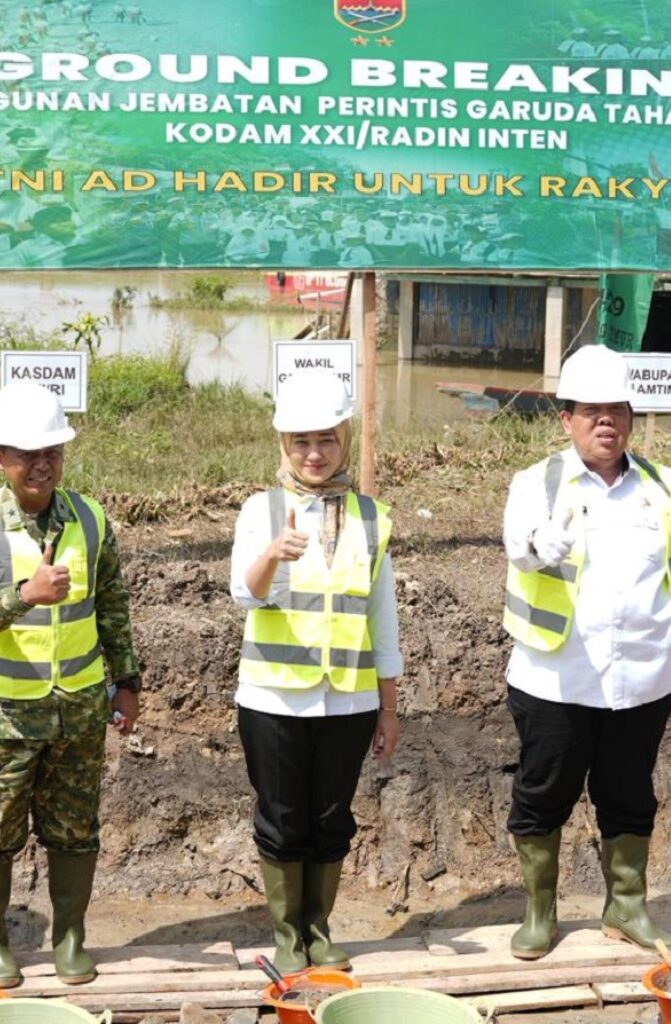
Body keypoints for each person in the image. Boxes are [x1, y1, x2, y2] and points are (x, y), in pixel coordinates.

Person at [502, 344, 671, 960]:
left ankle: (625, 907)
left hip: (643, 680)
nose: (606, 423)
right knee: (543, 794)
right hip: (555, 680)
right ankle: (540, 912)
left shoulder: (663, 488)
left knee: (629, 794)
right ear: (565, 418)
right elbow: (519, 546)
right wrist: (545, 541)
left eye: (616, 410)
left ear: (631, 415)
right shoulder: (535, 483)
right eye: (590, 411)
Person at [0, 381, 141, 987]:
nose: (41, 463)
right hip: (3, 714)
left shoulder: (90, 519)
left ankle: (70, 937)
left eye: (52, 449)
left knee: (75, 828)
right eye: (25, 453)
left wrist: (126, 680)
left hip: (78, 711)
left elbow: (112, 604)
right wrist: (24, 596)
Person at [230, 371, 403, 973]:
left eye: (326, 440)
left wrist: (388, 707)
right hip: (274, 699)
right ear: (283, 444)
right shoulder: (262, 510)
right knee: (281, 817)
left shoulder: (373, 518)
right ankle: (286, 934)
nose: (314, 454)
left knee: (332, 817)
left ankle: (319, 929)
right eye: (301, 441)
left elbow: (382, 618)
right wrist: (270, 555)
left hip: (348, 702)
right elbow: (244, 596)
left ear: (345, 441)